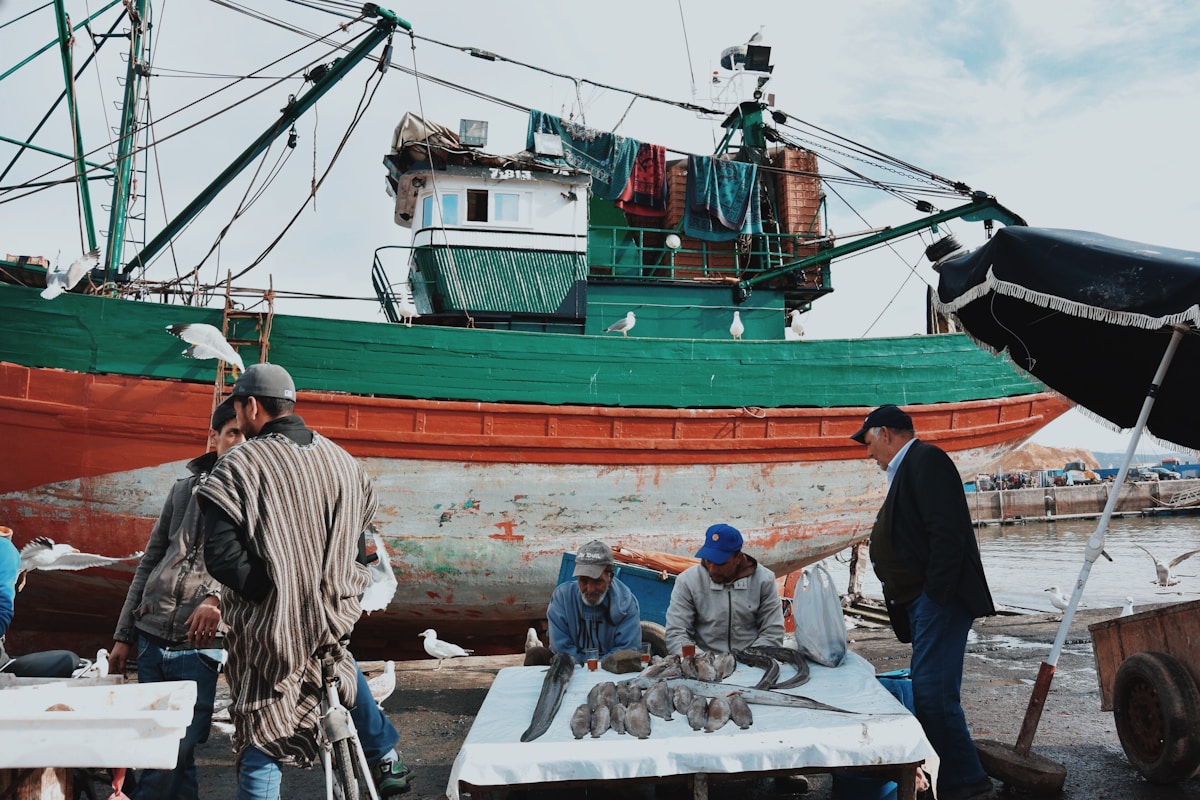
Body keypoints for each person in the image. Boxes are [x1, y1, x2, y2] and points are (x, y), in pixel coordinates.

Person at [197, 363, 412, 800]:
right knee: (340, 672)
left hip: (269, 637)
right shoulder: (345, 463)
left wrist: (272, 594)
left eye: (238, 412)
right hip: (333, 622)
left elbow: (220, 558)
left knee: (262, 731)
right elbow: (359, 549)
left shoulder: (240, 466)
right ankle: (386, 757)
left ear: (251, 406)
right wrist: (328, 591)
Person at [850, 404, 997, 800]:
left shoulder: (926, 460)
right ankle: (957, 781)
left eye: (867, 442)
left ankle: (968, 783)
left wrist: (934, 596)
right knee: (931, 693)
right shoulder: (909, 468)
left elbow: (946, 534)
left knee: (933, 695)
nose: (868, 453)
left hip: (938, 602)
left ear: (884, 433)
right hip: (924, 603)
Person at [106, 399, 243, 800]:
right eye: (231, 433)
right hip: (150, 635)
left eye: (245, 434)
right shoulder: (183, 489)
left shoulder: (255, 496)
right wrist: (123, 634)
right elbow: (150, 562)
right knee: (170, 757)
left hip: (198, 645)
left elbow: (257, 562)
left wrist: (216, 599)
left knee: (168, 750)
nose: (239, 441)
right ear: (213, 437)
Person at [664, 523, 784, 654]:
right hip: (703, 662)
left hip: (751, 663)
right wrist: (700, 661)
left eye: (720, 563)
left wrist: (750, 659)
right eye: (709, 560)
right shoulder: (687, 581)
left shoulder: (764, 580)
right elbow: (676, 633)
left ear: (738, 558)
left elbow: (772, 633)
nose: (712, 569)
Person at [544, 540, 641, 665]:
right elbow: (560, 646)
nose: (590, 589)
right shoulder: (562, 597)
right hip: (570, 665)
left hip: (610, 670)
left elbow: (627, 649)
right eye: (583, 581)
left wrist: (597, 668)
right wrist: (585, 666)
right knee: (535, 654)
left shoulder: (627, 603)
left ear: (610, 577)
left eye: (597, 581)